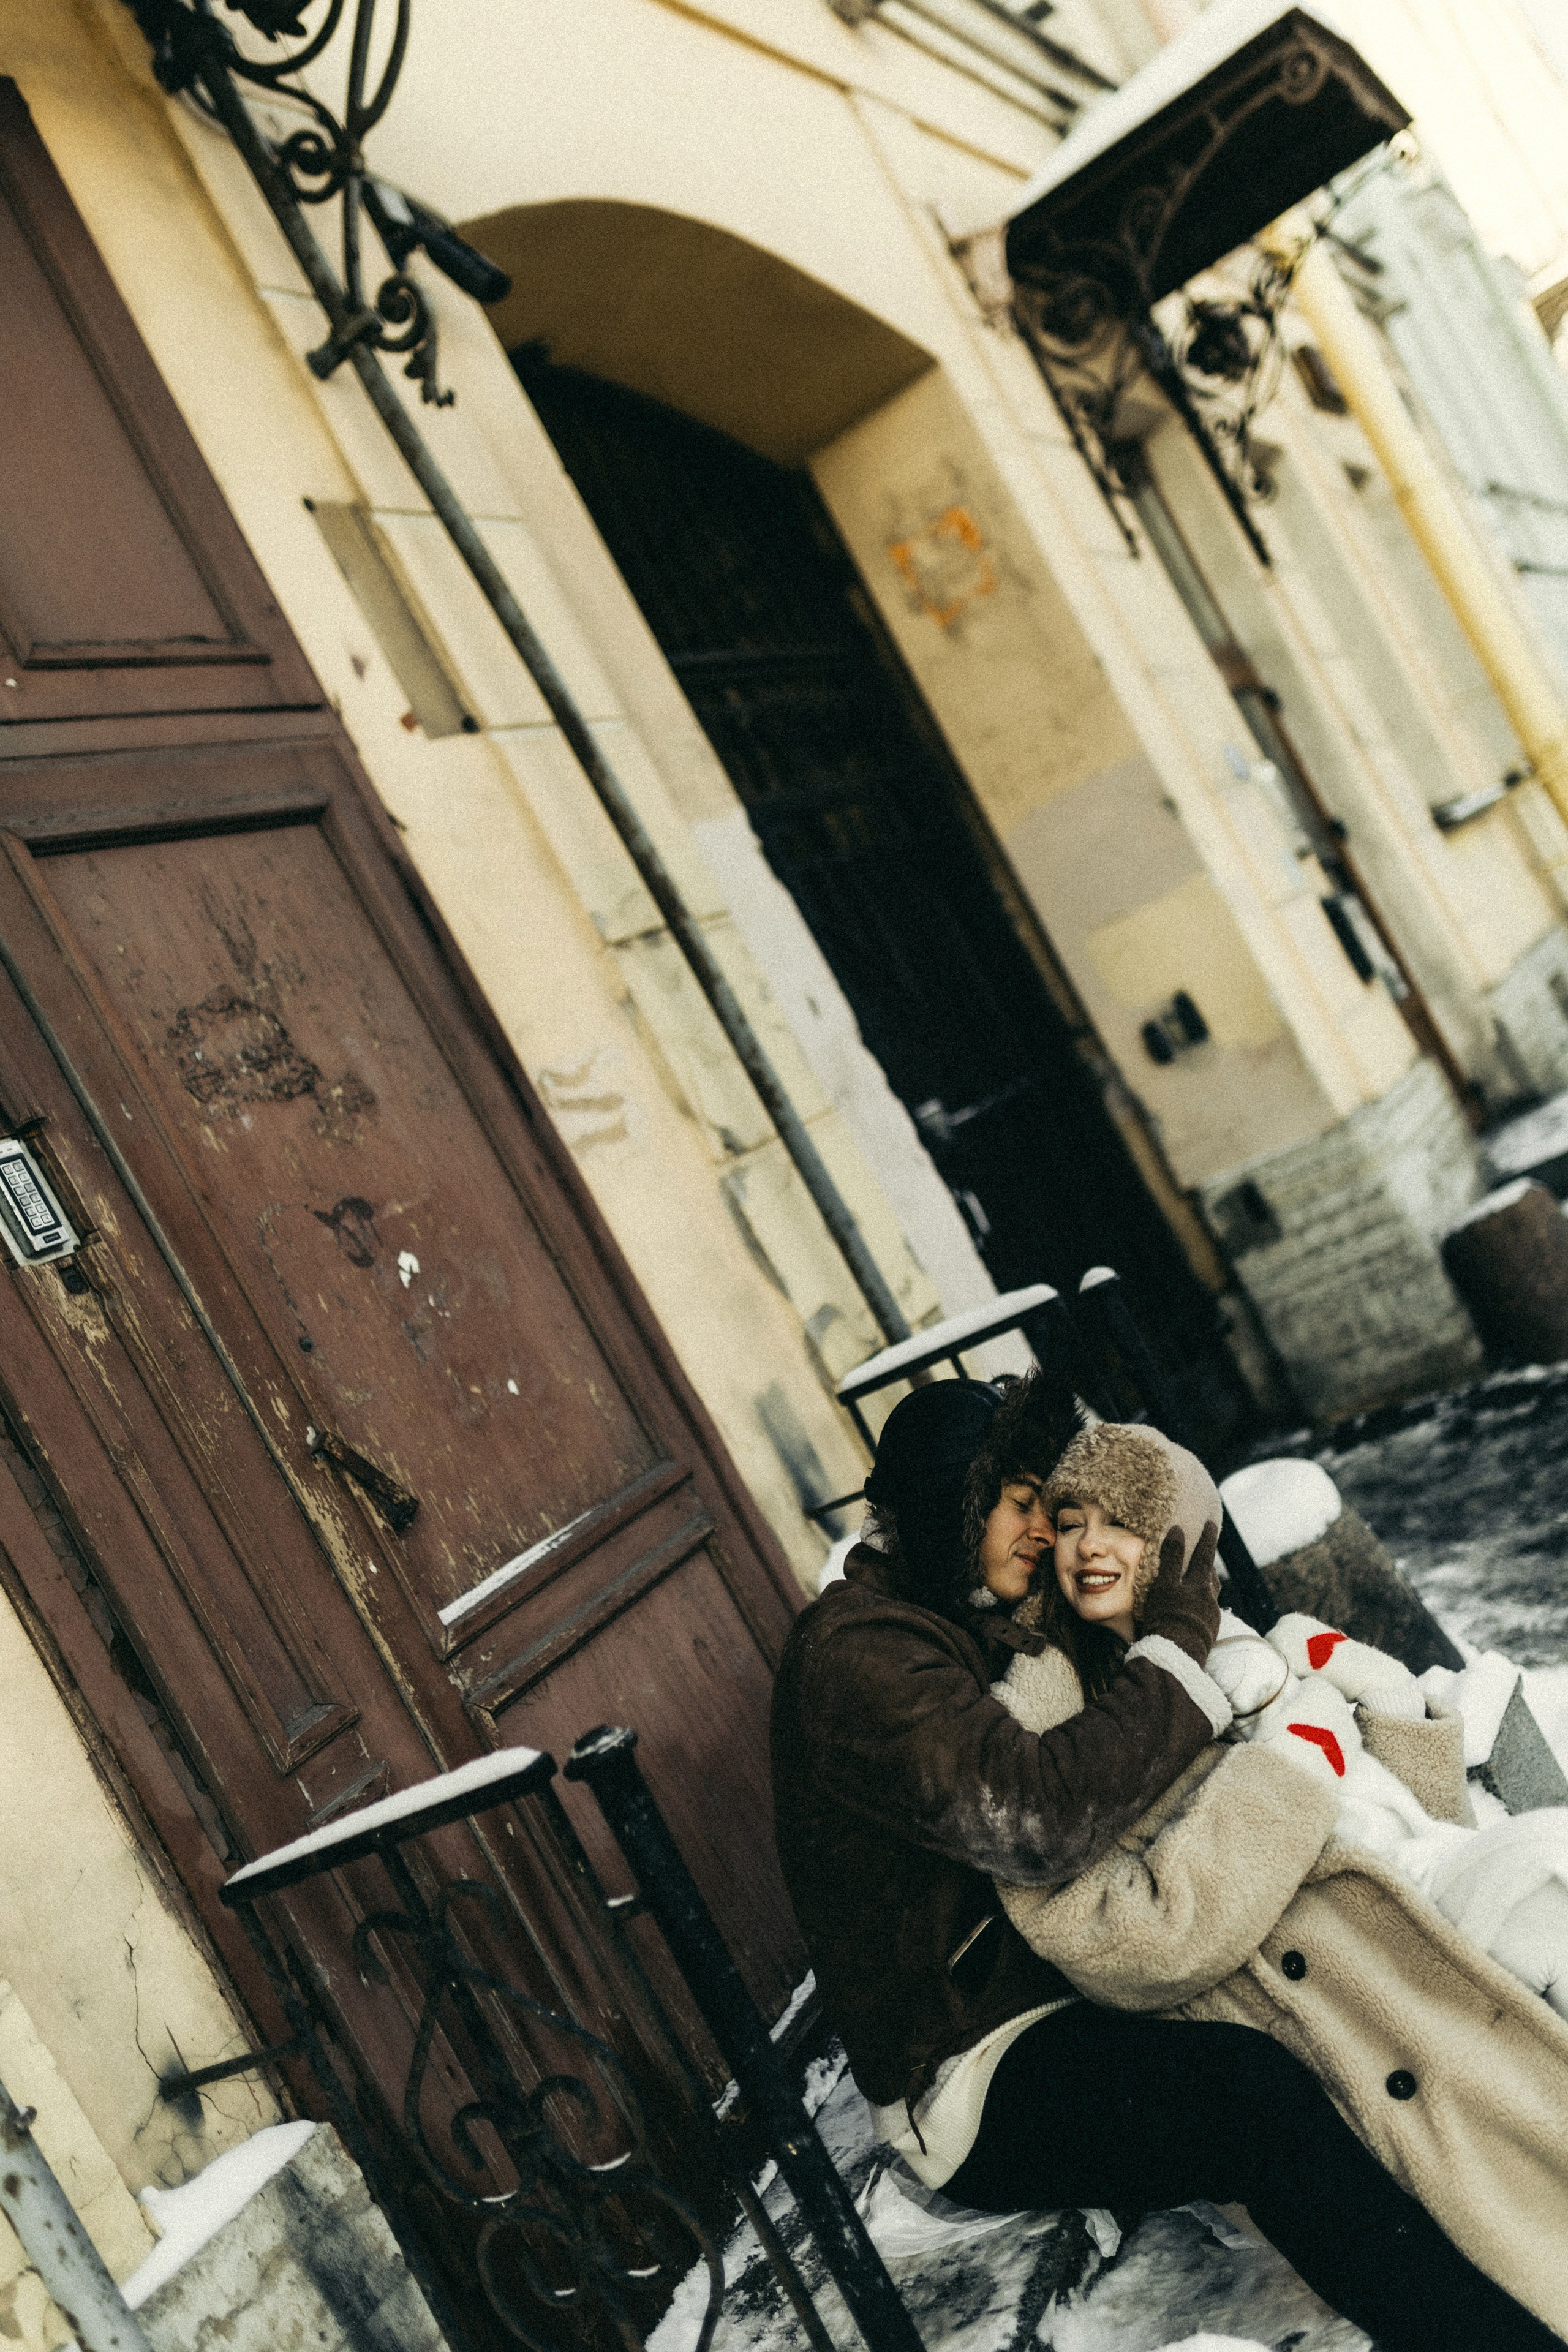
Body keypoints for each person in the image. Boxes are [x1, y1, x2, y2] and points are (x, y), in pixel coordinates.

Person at [769, 1373, 1562, 2352]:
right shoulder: (861, 1657)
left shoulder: (952, 1611)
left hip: (1066, 1981)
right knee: (1248, 2097)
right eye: (1018, 1505)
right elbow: (1038, 1816)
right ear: (951, 1505)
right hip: (979, 2064)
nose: (1042, 1533)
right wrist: (1179, 1651)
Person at [992, 1417, 1568, 2344]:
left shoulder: (1247, 1649)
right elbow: (1120, 1941)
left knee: (1548, 1874)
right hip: (1329, 2001)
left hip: (1413, 1930)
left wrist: (1379, 1702)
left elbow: (1408, 1821)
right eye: (1069, 1522)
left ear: (1180, 1541)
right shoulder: (1049, 1714)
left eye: (1123, 1522)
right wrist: (1296, 1759)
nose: (1089, 1545)